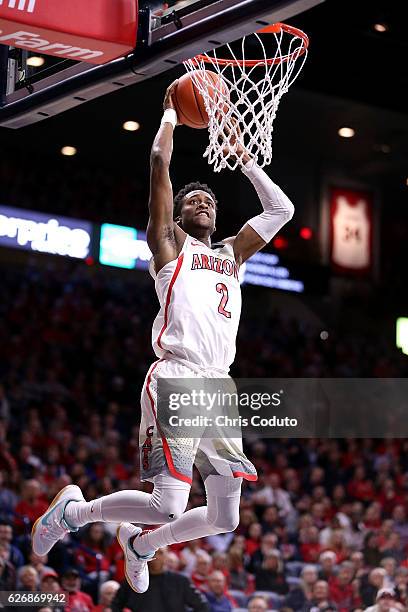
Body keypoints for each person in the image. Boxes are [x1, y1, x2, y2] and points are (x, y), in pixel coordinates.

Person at [32, 79, 295, 595]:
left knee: (224, 519)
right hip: (177, 375)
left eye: (210, 201)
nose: (203, 203)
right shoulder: (169, 248)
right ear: (175, 218)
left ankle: (140, 545)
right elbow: (159, 165)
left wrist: (243, 157)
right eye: (193, 200)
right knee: (169, 503)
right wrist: (172, 115)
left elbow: (280, 210)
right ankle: (74, 512)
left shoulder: (230, 257)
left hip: (219, 387)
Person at [111, 547, 209, 612]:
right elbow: (115, 606)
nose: (156, 557)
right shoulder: (132, 581)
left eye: (160, 553)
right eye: (152, 553)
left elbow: (202, 606)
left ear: (167, 556)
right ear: (145, 556)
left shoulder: (181, 581)